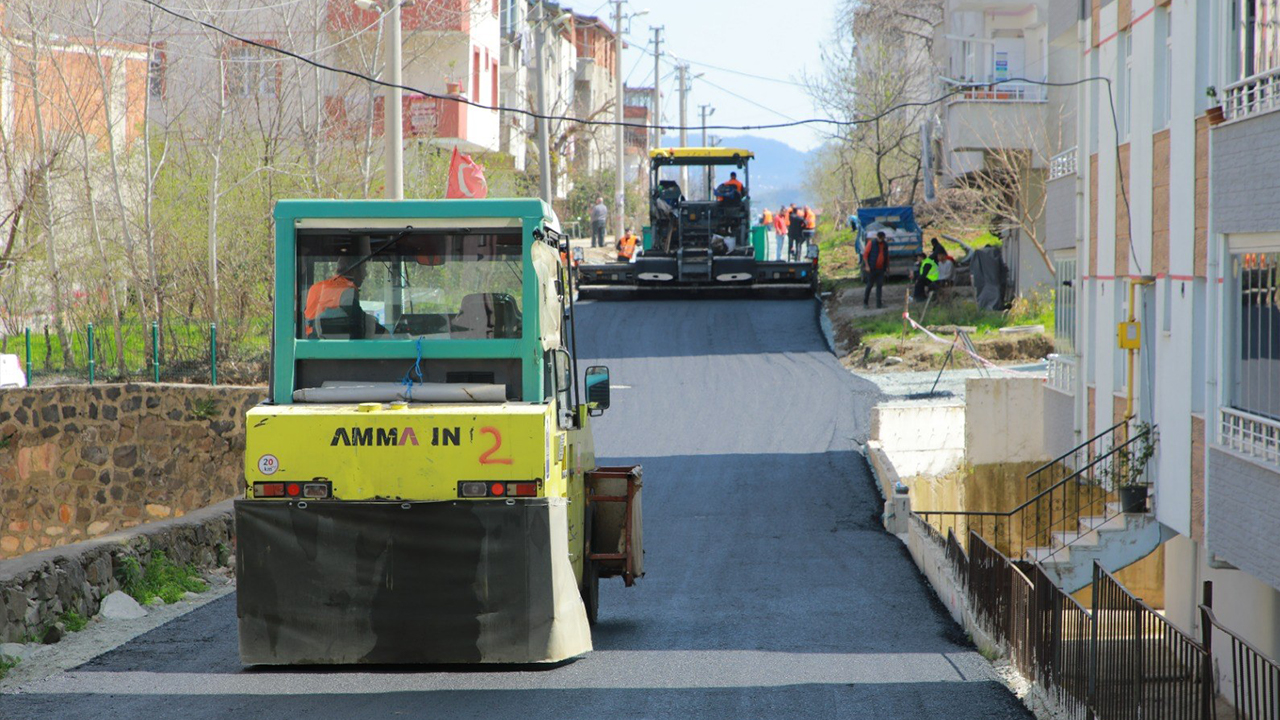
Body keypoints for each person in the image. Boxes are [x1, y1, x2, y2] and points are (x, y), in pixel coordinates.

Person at [304, 254, 384, 338]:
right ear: (353, 270)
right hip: (334, 344)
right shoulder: (347, 290)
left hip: (310, 342)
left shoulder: (315, 287)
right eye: (363, 269)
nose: (365, 274)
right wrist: (385, 332)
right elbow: (360, 322)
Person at [863, 231, 889, 309]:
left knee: (879, 286)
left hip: (881, 269)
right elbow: (865, 255)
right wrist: (867, 266)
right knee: (869, 285)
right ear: (877, 237)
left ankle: (879, 304)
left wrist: (887, 267)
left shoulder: (885, 245)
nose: (881, 240)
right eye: (880, 238)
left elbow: (887, 256)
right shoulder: (871, 243)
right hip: (872, 269)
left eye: (882, 239)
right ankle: (865, 303)